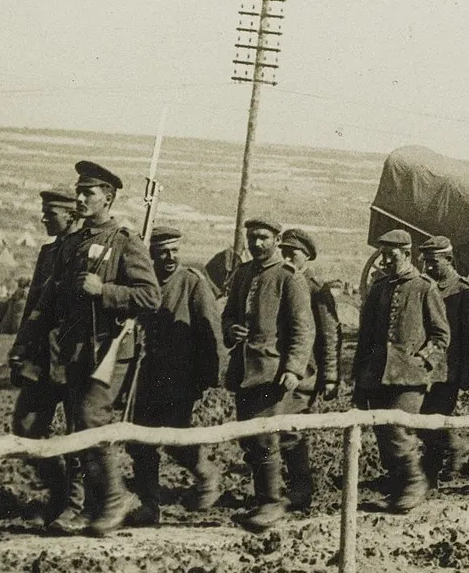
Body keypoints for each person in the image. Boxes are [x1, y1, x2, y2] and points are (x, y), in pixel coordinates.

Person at [45, 161, 163, 537]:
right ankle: (85, 506)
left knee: (92, 418)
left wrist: (106, 291)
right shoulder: (76, 242)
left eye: (88, 193)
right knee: (78, 427)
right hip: (77, 349)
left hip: (110, 350)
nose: (79, 199)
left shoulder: (125, 241)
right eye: (78, 192)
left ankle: (116, 498)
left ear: (107, 198)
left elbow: (150, 297)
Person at [222, 216, 315, 531]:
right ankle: (266, 497)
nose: (256, 244)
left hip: (272, 374)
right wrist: (230, 330)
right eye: (252, 238)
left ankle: (271, 503)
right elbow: (229, 315)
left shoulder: (289, 278)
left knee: (265, 439)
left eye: (263, 237)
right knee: (251, 439)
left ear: (276, 240)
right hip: (245, 372)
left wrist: (293, 369)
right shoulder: (243, 274)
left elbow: (304, 329)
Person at [126, 223, 225, 518]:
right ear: (151, 256)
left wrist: (210, 376)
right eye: (162, 253)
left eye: (174, 251)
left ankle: (207, 477)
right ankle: (149, 504)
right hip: (143, 376)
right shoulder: (143, 282)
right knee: (139, 441)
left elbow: (210, 331)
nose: (169, 258)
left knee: (174, 437)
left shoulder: (191, 282)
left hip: (178, 377)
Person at [351, 228, 451, 512]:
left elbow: (441, 335)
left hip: (410, 376)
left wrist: (423, 359)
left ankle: (415, 483)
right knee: (383, 434)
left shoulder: (424, 287)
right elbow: (366, 336)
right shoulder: (380, 289)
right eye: (382, 256)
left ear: (407, 255)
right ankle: (398, 489)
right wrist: (359, 376)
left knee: (398, 429)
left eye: (391, 256)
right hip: (378, 374)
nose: (385, 262)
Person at [10, 187, 83, 531]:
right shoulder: (48, 252)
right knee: (26, 426)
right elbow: (34, 304)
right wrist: (21, 345)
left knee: (77, 432)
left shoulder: (85, 250)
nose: (43, 218)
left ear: (71, 214)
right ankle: (57, 493)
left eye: (50, 212)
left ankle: (75, 504)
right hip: (42, 355)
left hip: (75, 355)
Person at [417, 235, 469, 483]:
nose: (430, 267)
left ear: (449, 259)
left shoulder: (463, 291)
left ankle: (439, 464)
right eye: (426, 262)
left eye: (435, 262)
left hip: (448, 370)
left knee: (433, 418)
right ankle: (452, 449)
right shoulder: (423, 286)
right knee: (423, 419)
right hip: (424, 367)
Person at [278, 228, 343, 409]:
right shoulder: (280, 280)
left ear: (306, 256)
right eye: (284, 253)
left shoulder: (316, 289)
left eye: (292, 254)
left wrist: (330, 378)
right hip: (280, 369)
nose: (287, 259)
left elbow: (330, 335)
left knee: (293, 428)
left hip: (306, 373)